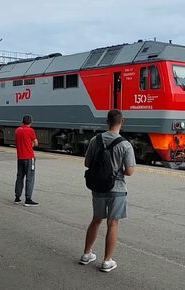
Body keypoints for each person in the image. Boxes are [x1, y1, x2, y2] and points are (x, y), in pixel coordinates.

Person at [80, 109, 136, 272]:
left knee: (96, 219)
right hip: (116, 188)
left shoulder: (94, 140)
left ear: (106, 121)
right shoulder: (125, 144)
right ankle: (106, 261)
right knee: (112, 223)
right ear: (122, 122)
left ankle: (86, 254)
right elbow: (130, 171)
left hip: (97, 186)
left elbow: (87, 163)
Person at [14, 114, 39, 207]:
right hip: (29, 157)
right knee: (30, 178)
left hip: (20, 157)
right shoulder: (30, 130)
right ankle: (28, 199)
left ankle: (17, 197)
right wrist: (30, 145)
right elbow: (36, 143)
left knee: (19, 177)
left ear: (22, 121)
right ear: (31, 122)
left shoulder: (17, 130)